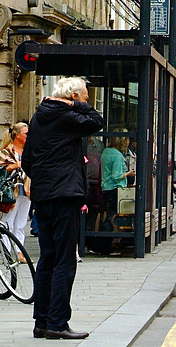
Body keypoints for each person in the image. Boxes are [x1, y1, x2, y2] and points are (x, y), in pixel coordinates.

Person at [22, 76, 105, 340]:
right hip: (66, 195)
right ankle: (58, 322)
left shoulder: (37, 118)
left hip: (43, 196)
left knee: (47, 257)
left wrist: (44, 177)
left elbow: (26, 162)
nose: (87, 101)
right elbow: (97, 121)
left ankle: (41, 322)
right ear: (74, 96)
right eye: (85, 96)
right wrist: (77, 104)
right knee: (65, 259)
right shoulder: (68, 116)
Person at [0, 122, 31, 263]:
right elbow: (2, 169)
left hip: (27, 190)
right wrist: (15, 165)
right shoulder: (7, 151)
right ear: (17, 135)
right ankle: (6, 253)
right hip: (12, 191)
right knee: (9, 221)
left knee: (21, 222)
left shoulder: (29, 151)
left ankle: (19, 252)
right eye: (26, 133)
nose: (28, 136)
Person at [101, 132, 135, 231]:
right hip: (115, 189)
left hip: (106, 187)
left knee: (109, 213)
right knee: (114, 216)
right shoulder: (117, 155)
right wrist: (129, 173)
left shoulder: (106, 151)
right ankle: (113, 235)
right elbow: (117, 176)